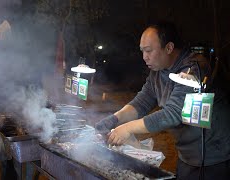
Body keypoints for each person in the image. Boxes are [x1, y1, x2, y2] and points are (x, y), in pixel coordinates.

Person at [95, 22, 230, 180]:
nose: (145, 57)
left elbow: (172, 114)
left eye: (149, 50)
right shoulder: (157, 73)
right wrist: (114, 119)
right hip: (186, 156)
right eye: (142, 51)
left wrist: (128, 129)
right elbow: (141, 103)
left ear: (169, 48)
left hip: (216, 156)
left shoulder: (194, 69)